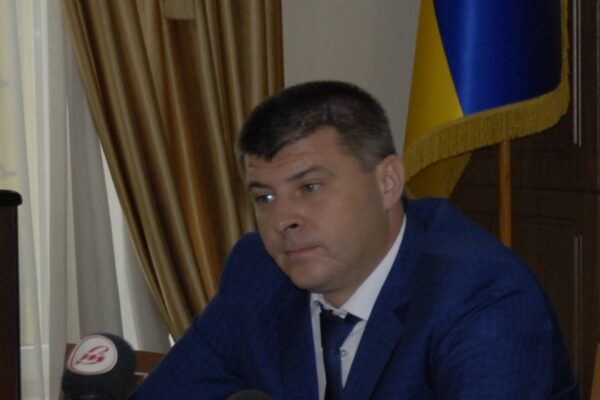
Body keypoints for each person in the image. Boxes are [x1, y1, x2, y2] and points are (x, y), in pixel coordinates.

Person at [133, 81, 579, 399]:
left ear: (387, 183)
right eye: (264, 197)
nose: (282, 219)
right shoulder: (257, 273)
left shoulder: (480, 294)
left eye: (310, 187)